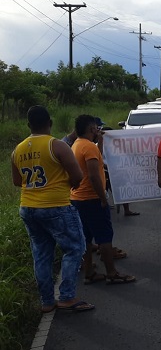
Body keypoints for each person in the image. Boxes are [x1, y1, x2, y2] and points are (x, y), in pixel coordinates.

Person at [11, 106, 94, 313]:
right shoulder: (56, 145)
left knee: (41, 255)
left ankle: (47, 301)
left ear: (28, 125)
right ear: (50, 123)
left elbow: (16, 182)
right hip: (55, 206)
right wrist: (66, 184)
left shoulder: (17, 150)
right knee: (75, 248)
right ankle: (66, 296)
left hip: (28, 207)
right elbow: (77, 176)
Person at [70, 115, 136, 285]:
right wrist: (103, 198)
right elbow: (93, 175)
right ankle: (111, 273)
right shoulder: (89, 147)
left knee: (86, 237)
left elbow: (94, 160)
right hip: (91, 199)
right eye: (95, 128)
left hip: (77, 198)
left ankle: (89, 272)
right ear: (92, 129)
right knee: (104, 238)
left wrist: (100, 142)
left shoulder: (77, 145)